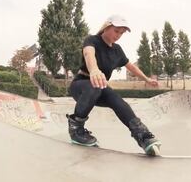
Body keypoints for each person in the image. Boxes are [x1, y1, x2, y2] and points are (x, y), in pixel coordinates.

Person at [66, 15, 161, 155]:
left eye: (121, 33)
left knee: (117, 101)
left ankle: (142, 135)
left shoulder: (117, 50)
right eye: (116, 31)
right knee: (95, 85)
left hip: (100, 87)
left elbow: (131, 67)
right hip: (81, 86)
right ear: (106, 27)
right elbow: (88, 53)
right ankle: (76, 129)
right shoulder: (92, 40)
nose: (119, 35)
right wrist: (94, 70)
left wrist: (147, 79)